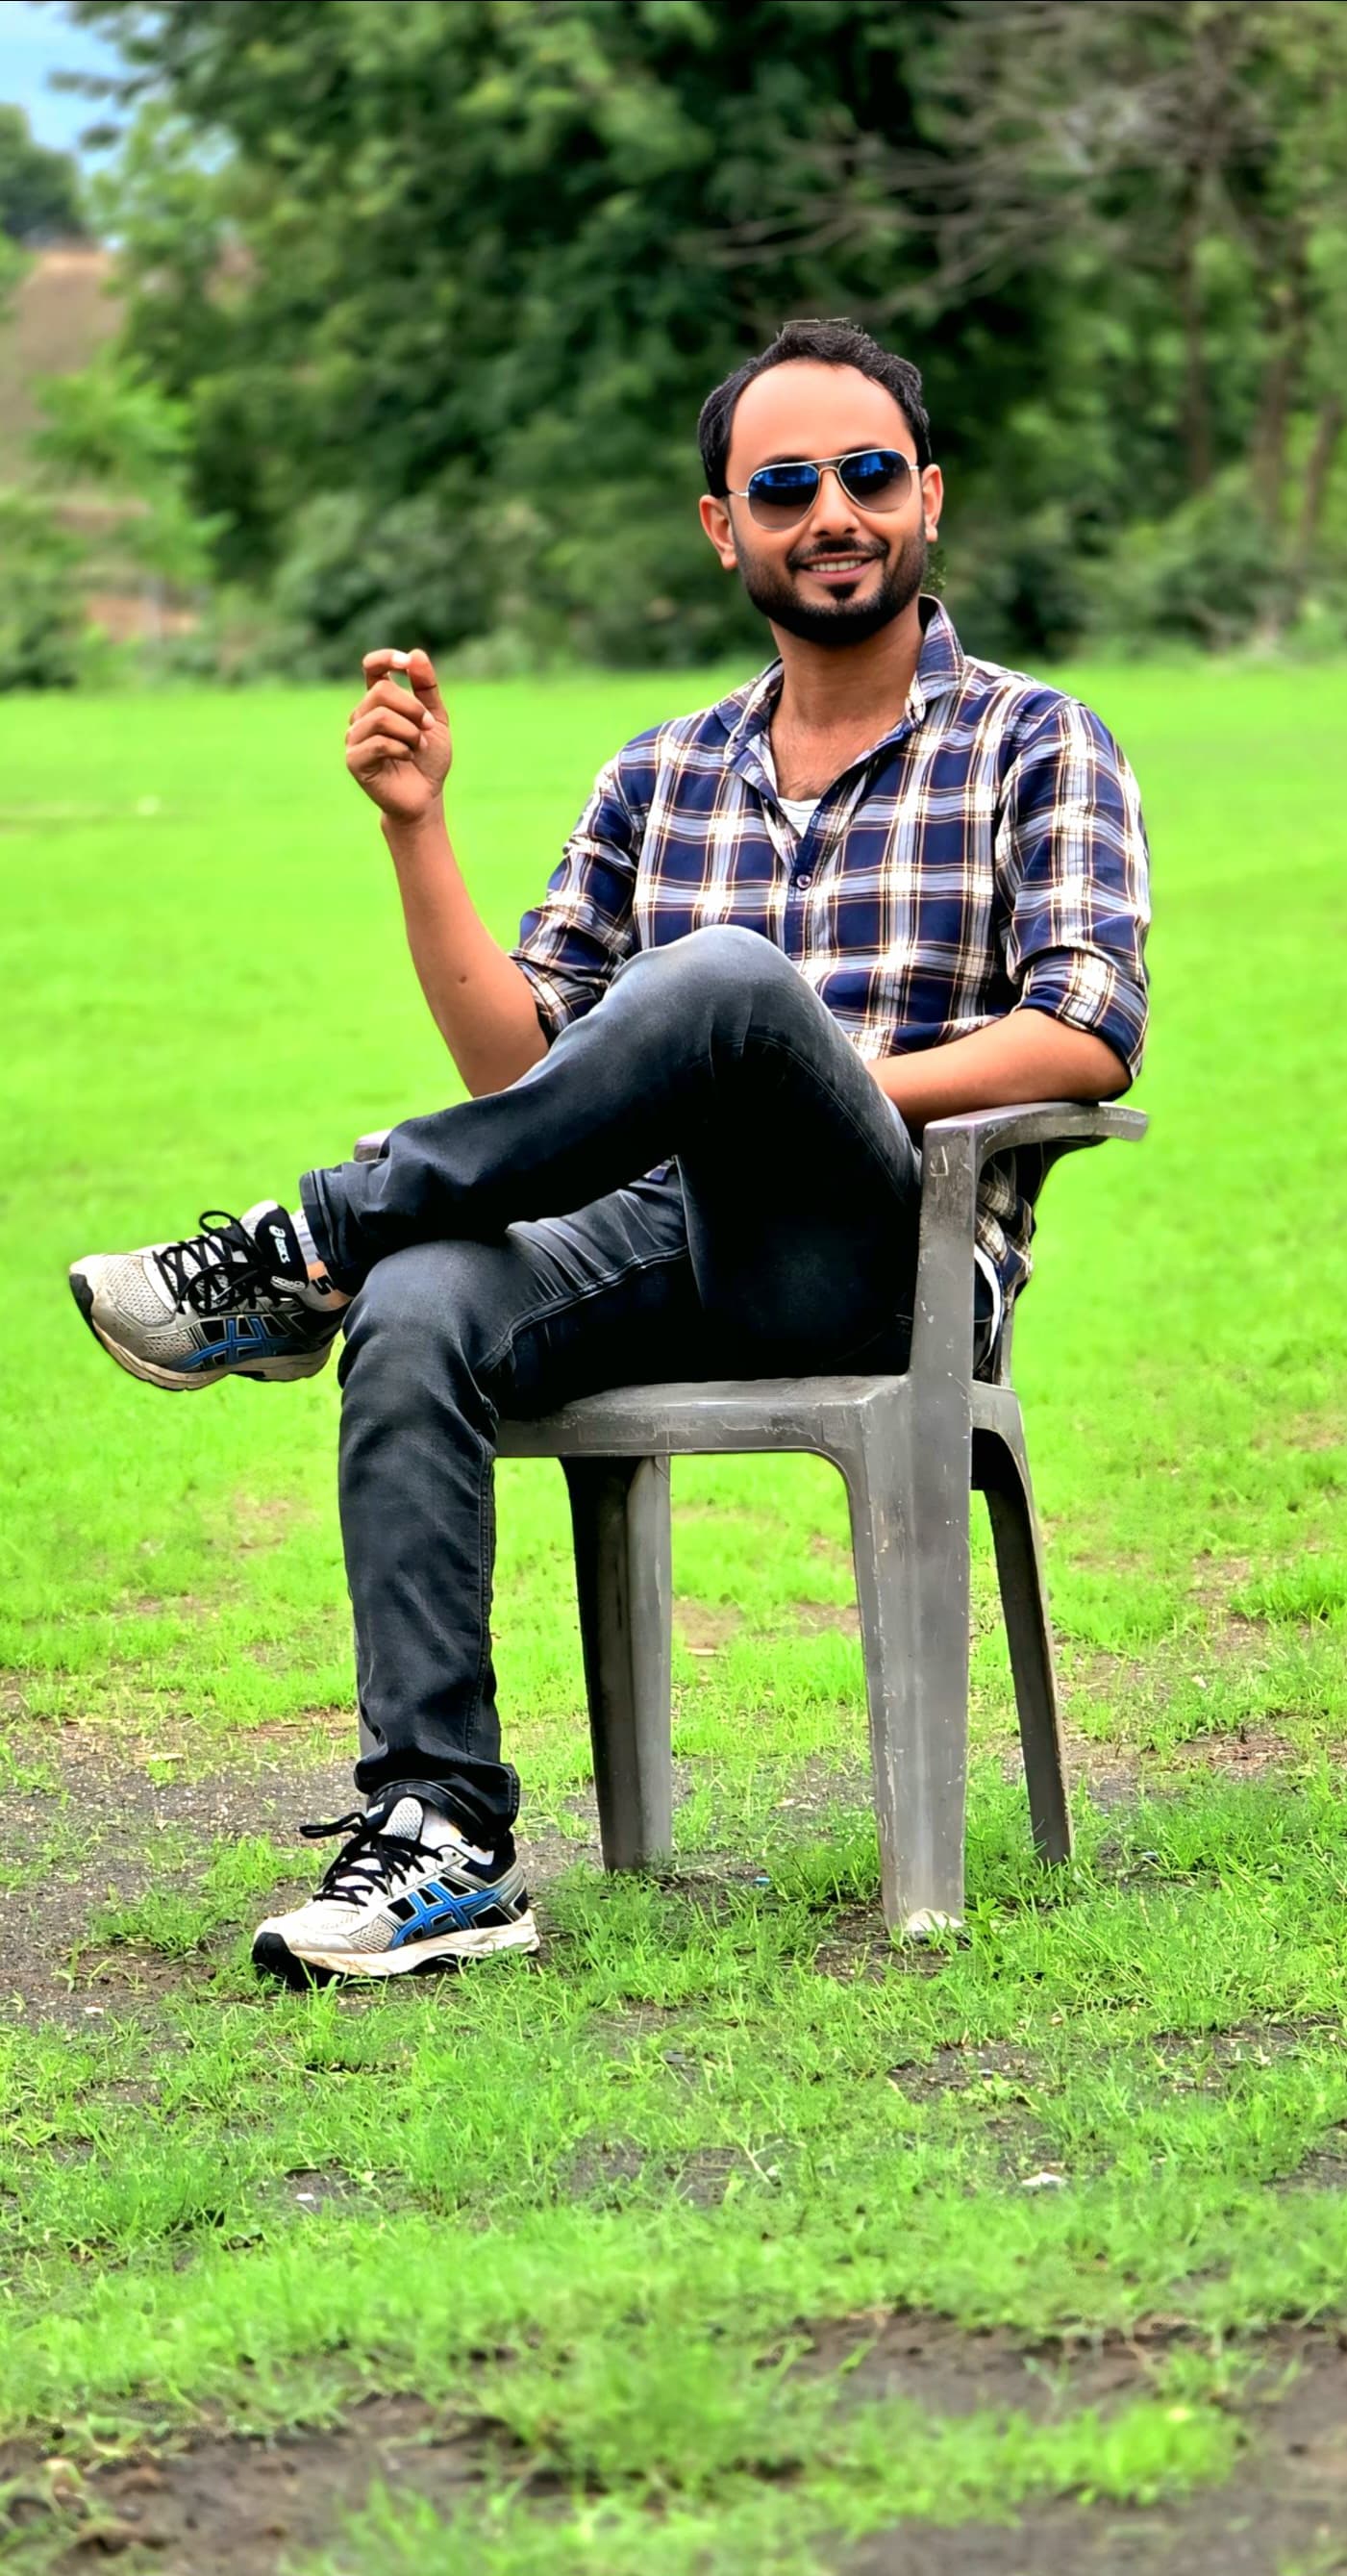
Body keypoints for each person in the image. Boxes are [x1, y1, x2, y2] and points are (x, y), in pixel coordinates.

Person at [69, 317, 1150, 1989]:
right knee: (426, 1293)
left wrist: (831, 1069)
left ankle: (307, 1244)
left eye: (867, 475)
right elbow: (525, 1068)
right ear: (725, 527)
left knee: (722, 984)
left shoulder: (1034, 740)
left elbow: (1086, 1029)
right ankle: (440, 1838)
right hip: (646, 1239)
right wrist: (418, 833)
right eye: (782, 487)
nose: (832, 513)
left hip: (874, 1265)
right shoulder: (659, 773)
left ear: (927, 497)